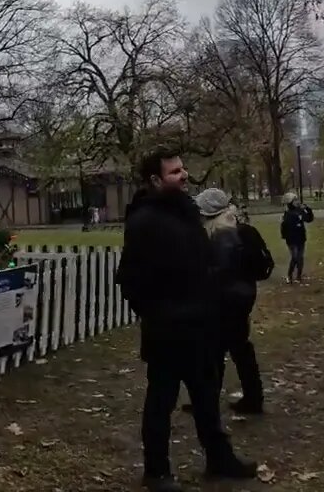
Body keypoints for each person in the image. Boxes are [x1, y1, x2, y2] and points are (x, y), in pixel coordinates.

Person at [117, 149, 257, 491]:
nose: (183, 175)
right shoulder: (143, 222)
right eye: (174, 172)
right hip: (167, 331)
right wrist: (158, 315)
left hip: (202, 327)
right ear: (154, 180)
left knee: (207, 399)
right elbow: (131, 281)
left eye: (183, 169)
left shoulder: (188, 212)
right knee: (160, 403)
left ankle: (219, 459)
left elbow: (202, 263)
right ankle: (157, 472)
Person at [194, 189, 266, 415]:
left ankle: (209, 400)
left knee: (215, 351)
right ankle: (252, 397)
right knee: (240, 349)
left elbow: (211, 272)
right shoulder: (246, 231)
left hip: (221, 301)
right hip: (242, 297)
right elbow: (261, 266)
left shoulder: (214, 236)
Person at [279, 192, 314, 283]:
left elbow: (309, 219)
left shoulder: (300, 210)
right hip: (291, 240)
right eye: (295, 200)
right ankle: (289, 275)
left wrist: (307, 209)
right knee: (295, 257)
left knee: (300, 257)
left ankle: (299, 276)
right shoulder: (287, 213)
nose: (297, 202)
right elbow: (284, 227)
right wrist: (285, 236)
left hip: (301, 238)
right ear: (290, 202)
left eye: (297, 200)